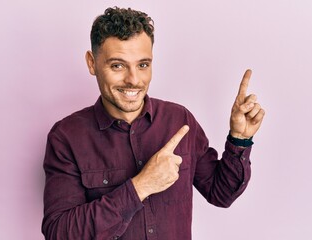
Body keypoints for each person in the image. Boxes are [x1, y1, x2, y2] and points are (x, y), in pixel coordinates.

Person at [42, 6, 265, 240]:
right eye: (117, 65)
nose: (133, 80)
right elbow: (60, 232)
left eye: (143, 65)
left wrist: (240, 138)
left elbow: (221, 194)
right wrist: (140, 187)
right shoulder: (66, 137)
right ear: (92, 62)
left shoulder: (180, 121)